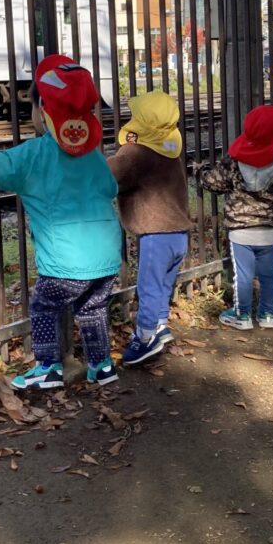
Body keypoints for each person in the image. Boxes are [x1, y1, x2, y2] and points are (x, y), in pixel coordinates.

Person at [0, 55, 122, 389]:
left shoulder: (34, 155)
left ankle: (48, 366)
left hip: (65, 261)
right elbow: (110, 187)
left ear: (43, 112)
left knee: (45, 306)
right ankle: (102, 366)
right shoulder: (93, 155)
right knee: (93, 308)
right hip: (107, 256)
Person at [108, 90, 193, 365]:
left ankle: (144, 339)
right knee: (163, 285)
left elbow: (111, 176)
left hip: (156, 235)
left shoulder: (136, 152)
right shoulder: (169, 148)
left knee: (149, 287)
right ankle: (159, 326)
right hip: (179, 234)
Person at [196, 105, 273, 330]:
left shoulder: (233, 162)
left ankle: (242, 316)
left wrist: (200, 171)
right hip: (270, 230)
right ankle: (268, 314)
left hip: (241, 231)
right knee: (269, 274)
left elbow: (212, 182)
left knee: (243, 276)